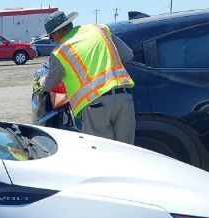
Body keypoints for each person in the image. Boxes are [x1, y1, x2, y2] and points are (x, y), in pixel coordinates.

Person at [38, 10, 136, 144]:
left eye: (51, 37)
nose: (52, 40)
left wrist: (41, 80)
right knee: (127, 152)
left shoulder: (61, 52)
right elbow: (127, 55)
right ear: (70, 23)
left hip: (96, 104)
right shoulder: (99, 30)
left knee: (102, 153)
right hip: (124, 97)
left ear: (55, 34)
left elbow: (50, 84)